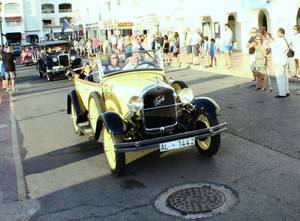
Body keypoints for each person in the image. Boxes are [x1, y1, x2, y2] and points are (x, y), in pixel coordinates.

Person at [267, 28, 289, 98]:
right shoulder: (285, 39)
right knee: (285, 77)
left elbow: (270, 46)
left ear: (280, 33)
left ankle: (282, 93)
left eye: (277, 32)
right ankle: (286, 91)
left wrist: (269, 39)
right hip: (284, 60)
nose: (276, 34)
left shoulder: (278, 40)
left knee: (280, 77)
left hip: (278, 61)